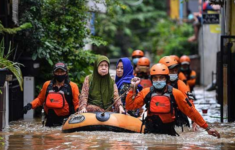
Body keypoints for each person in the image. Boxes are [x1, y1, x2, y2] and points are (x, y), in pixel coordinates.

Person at [125, 63, 220, 137]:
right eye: (155, 78)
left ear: (166, 79)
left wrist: (207, 128)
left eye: (161, 77)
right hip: (151, 132)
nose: (158, 80)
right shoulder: (146, 92)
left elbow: (190, 111)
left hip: (169, 133)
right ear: (152, 79)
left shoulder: (176, 93)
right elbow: (130, 106)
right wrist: (132, 89)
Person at [23, 62, 79, 127]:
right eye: (57, 72)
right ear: (54, 73)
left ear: (66, 73)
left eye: (62, 72)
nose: (59, 74)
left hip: (66, 122)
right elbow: (40, 99)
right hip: (50, 121)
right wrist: (30, 105)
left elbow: (76, 103)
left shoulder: (73, 86)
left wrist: (78, 111)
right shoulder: (47, 85)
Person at [159, 56, 198, 131]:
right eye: (171, 70)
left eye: (175, 70)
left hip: (178, 118)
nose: (174, 73)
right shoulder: (154, 85)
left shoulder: (180, 84)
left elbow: (190, 103)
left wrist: (194, 120)